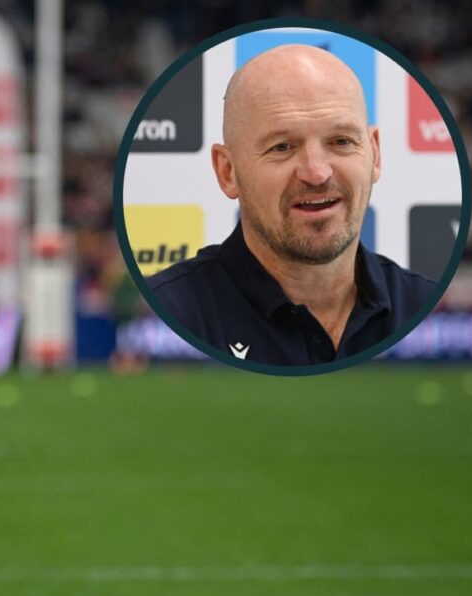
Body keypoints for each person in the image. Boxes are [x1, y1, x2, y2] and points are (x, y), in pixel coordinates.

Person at [146, 44, 436, 366]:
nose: (317, 173)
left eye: (341, 141)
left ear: (375, 154)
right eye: (282, 147)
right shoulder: (171, 310)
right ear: (228, 172)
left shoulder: (423, 303)